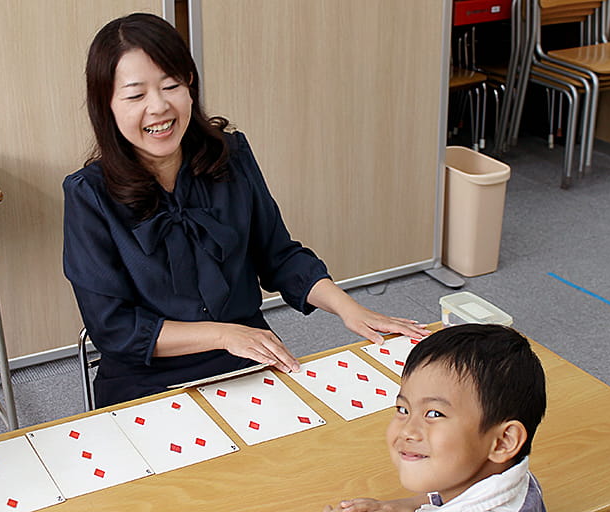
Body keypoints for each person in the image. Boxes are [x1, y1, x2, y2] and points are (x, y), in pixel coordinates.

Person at [62, 13, 429, 408]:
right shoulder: (89, 195)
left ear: (190, 86)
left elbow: (279, 255)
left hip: (244, 357)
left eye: (171, 85)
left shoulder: (230, 156)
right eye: (135, 95)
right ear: (107, 105)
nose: (159, 107)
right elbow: (113, 328)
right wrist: (223, 334)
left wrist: (349, 308)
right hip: (146, 375)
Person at [324, 324, 547, 512]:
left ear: (503, 441)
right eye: (403, 409)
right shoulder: (510, 479)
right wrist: (392, 507)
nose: (407, 431)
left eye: (434, 414)